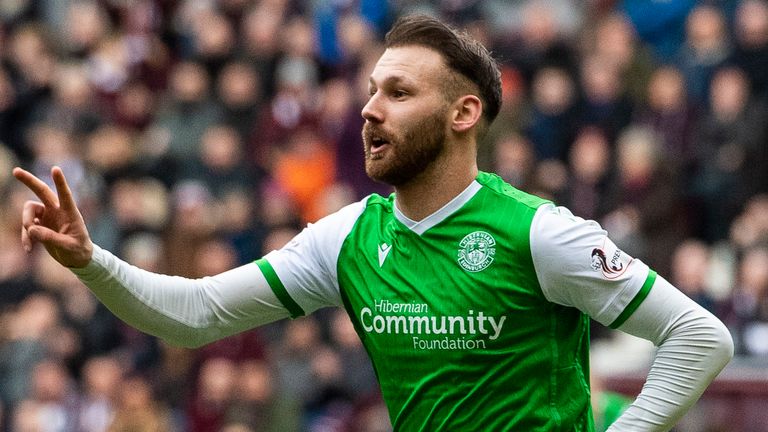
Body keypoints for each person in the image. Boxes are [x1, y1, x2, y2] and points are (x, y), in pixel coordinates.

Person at [12, 15, 733, 431]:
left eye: (397, 91)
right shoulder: (349, 237)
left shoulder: (538, 233)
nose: (369, 109)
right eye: (368, 90)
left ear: (463, 113)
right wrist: (89, 260)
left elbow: (700, 336)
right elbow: (194, 315)